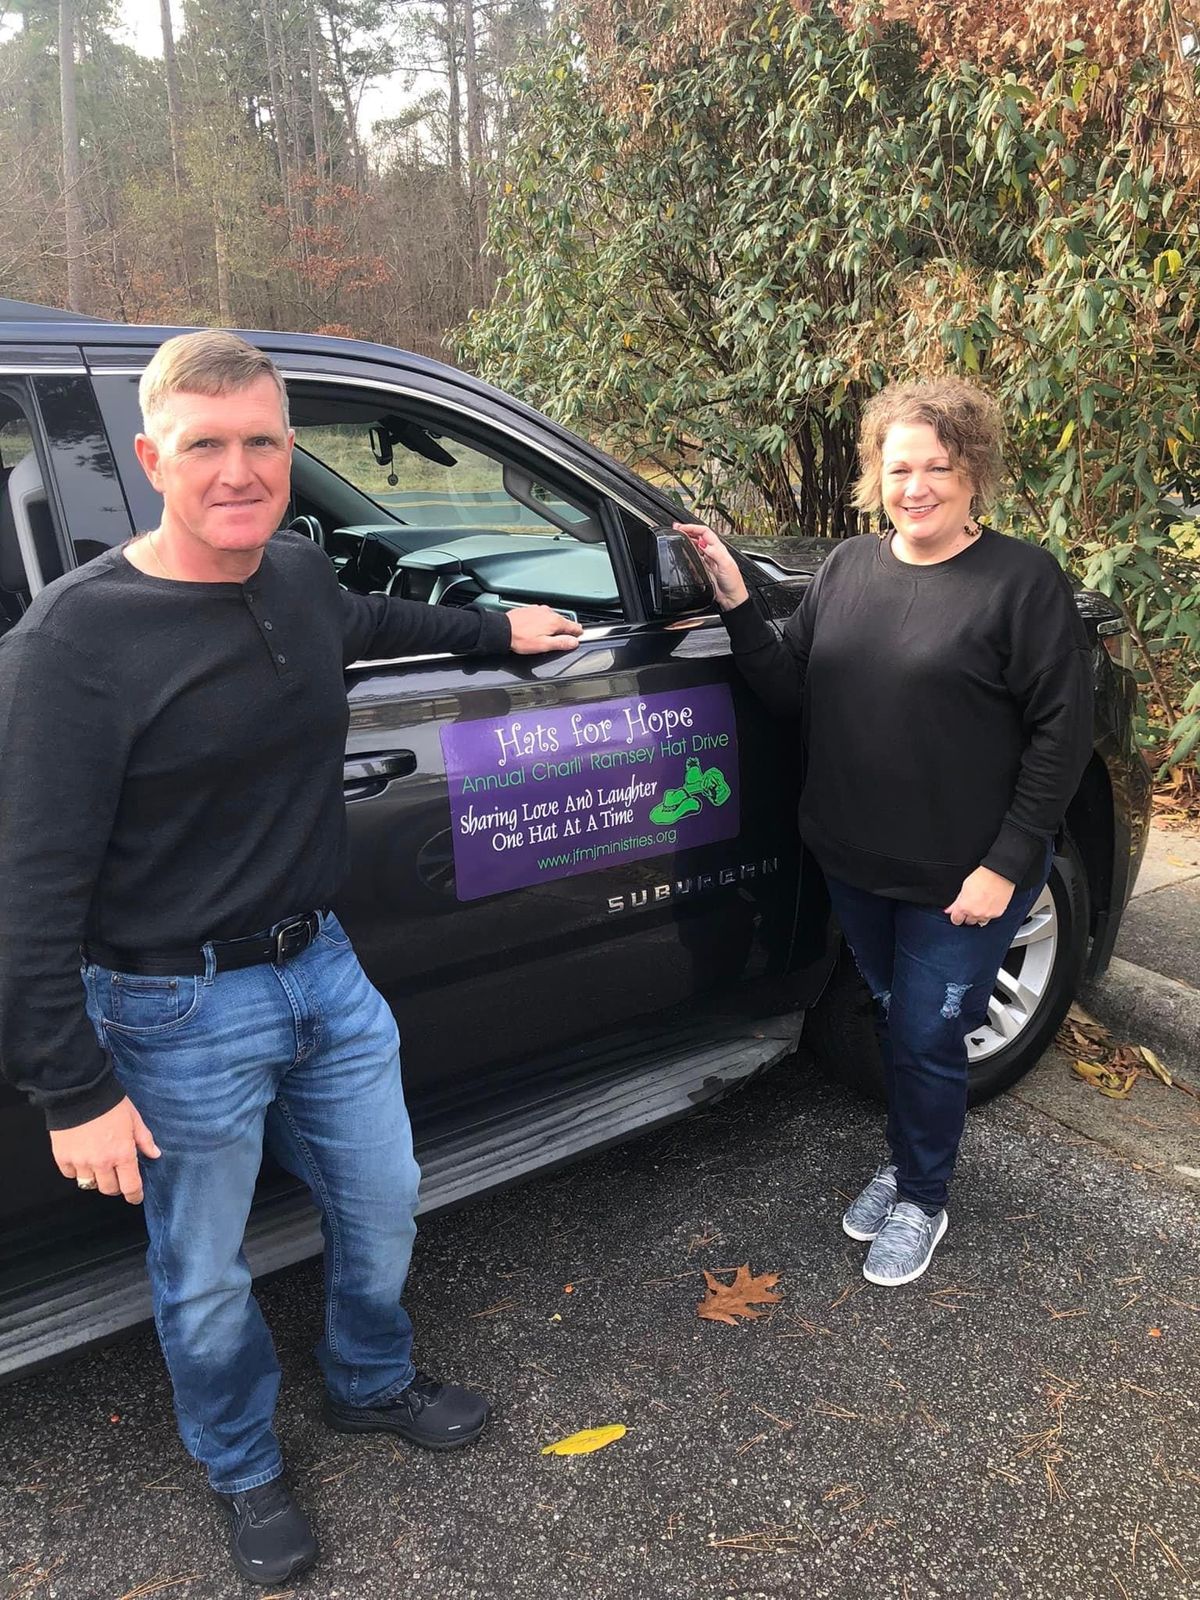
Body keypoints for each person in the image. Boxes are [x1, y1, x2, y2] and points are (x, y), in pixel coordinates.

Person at [0, 331, 583, 1586]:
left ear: (288, 447)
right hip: (170, 1005)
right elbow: (29, 890)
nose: (240, 470)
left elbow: (372, 617)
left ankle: (368, 1380)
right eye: (205, 444)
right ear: (152, 456)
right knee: (203, 1270)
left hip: (323, 968)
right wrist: (70, 1086)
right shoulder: (74, 644)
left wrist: (499, 628)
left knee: (382, 1198)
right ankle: (242, 1463)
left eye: (263, 441)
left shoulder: (300, 576)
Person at [676, 377, 1093, 1288]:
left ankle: (923, 1197)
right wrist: (738, 602)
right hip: (854, 860)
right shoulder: (847, 570)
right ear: (876, 475)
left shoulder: (1022, 582)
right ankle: (909, 1160)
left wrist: (1007, 863)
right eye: (899, 468)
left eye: (938, 467)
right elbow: (788, 688)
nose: (917, 487)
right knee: (899, 1018)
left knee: (926, 1039)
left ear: (973, 471)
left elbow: (1062, 737)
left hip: (965, 878)